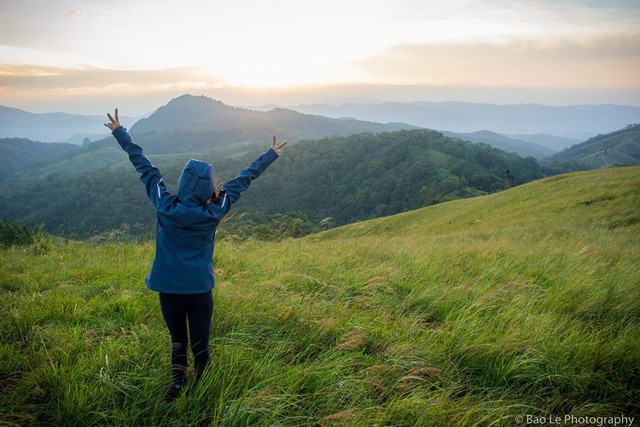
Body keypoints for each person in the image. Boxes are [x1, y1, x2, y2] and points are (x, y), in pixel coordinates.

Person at [104, 108, 287, 401]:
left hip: (169, 288)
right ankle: (202, 389)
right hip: (200, 289)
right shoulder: (214, 210)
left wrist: (120, 132)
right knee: (201, 343)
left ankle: (177, 384)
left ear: (183, 182)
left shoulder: (165, 204)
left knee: (179, 340)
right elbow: (243, 180)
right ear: (208, 187)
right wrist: (270, 154)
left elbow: (145, 169)